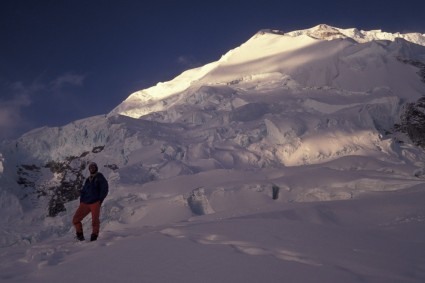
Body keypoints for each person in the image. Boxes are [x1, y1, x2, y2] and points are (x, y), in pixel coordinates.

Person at [72, 162, 109, 241]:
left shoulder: (99, 177)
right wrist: (82, 201)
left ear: (96, 168)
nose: (92, 168)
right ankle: (80, 236)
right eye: (91, 167)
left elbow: (105, 188)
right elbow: (83, 191)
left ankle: (94, 236)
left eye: (93, 167)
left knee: (95, 220)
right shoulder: (88, 180)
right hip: (85, 203)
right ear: (89, 169)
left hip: (95, 202)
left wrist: (100, 200)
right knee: (75, 219)